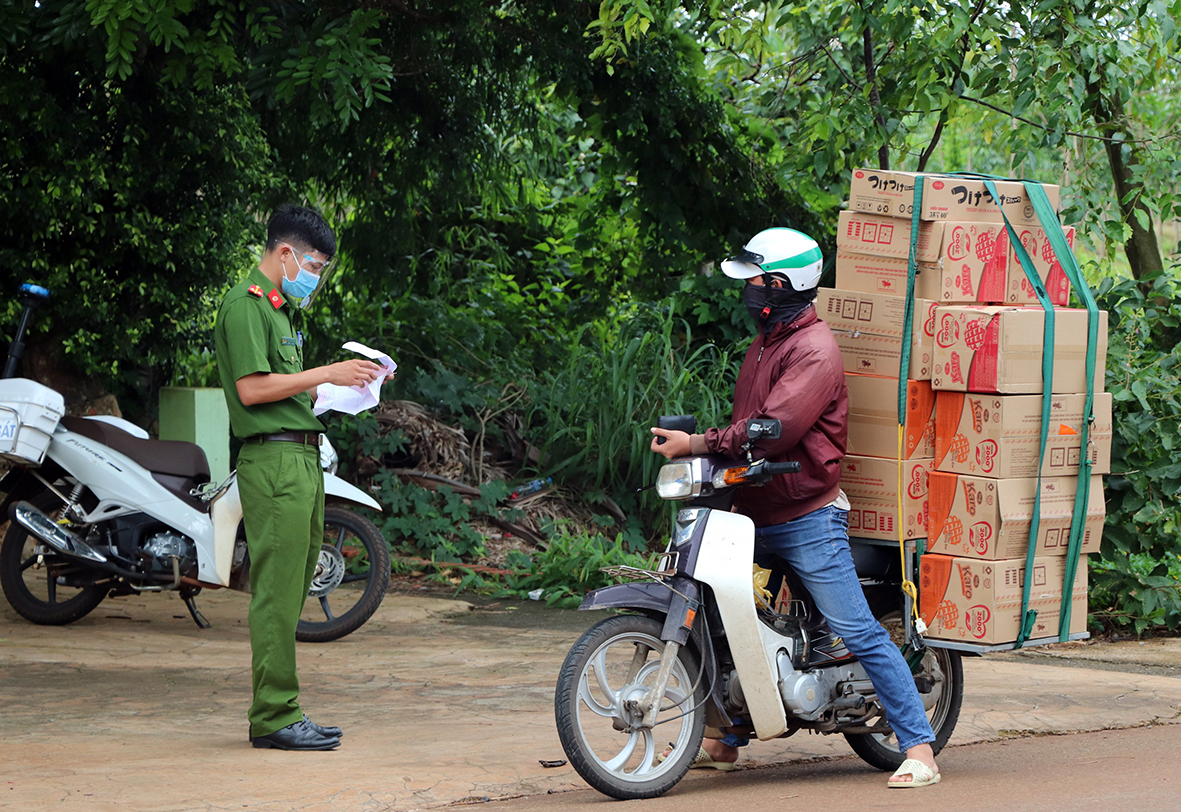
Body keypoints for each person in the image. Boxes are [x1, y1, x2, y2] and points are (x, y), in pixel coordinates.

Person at [649, 227, 941, 788]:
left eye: (756, 280)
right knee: (719, 612)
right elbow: (751, 429)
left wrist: (700, 442)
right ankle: (726, 735)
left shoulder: (813, 350)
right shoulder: (767, 343)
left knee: (858, 629)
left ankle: (920, 747)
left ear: (782, 284)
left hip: (808, 515)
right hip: (755, 511)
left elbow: (773, 429)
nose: (749, 290)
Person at [215, 205, 387, 751]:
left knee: (292, 589)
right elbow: (252, 390)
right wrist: (326, 373)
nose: (316, 275)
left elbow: (287, 387)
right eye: (313, 263)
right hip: (273, 462)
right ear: (284, 253)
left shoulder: (281, 312)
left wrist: (342, 389)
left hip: (301, 457)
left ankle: (282, 710)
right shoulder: (246, 307)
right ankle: (273, 715)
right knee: (277, 592)